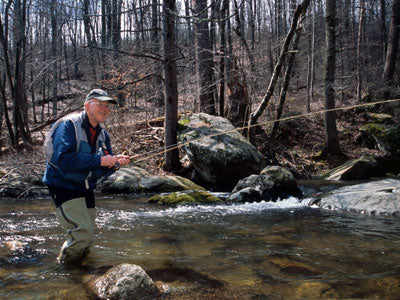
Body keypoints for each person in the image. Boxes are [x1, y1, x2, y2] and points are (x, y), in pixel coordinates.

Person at [42, 88, 130, 264]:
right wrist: (101, 160)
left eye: (107, 106)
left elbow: (100, 168)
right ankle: (66, 272)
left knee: (87, 236)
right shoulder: (69, 125)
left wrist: (115, 163)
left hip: (86, 186)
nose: (105, 109)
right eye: (101, 105)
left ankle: (79, 269)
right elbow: (63, 159)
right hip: (62, 184)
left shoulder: (103, 134)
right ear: (87, 105)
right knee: (81, 233)